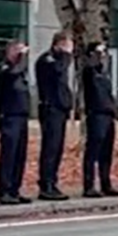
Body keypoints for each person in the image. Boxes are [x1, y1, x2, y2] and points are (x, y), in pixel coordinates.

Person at [35, 31, 75, 201]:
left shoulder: (59, 59)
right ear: (58, 44)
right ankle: (46, 184)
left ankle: (53, 180)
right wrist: (66, 55)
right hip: (50, 107)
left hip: (60, 108)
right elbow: (58, 71)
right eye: (67, 46)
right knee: (50, 148)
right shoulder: (47, 59)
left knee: (57, 148)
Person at [81, 41, 118, 198]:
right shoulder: (89, 70)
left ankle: (106, 183)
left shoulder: (103, 72)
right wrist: (95, 54)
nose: (103, 55)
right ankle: (89, 185)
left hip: (107, 114)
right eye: (100, 52)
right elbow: (90, 68)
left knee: (107, 151)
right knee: (93, 150)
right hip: (96, 113)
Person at [0, 41, 32, 204]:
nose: (20, 54)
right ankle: (4, 189)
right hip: (9, 115)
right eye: (17, 51)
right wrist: (23, 57)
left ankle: (14, 189)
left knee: (20, 155)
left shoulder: (21, 73)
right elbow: (13, 73)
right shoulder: (4, 69)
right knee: (9, 154)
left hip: (21, 116)